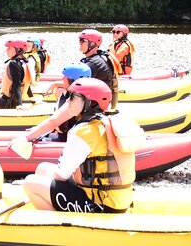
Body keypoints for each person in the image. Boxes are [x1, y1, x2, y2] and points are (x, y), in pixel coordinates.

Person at [21, 78, 134, 213]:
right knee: (42, 169)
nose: (68, 101)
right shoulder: (108, 122)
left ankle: (59, 227)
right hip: (116, 199)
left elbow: (61, 176)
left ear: (89, 103)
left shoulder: (83, 132)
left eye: (73, 97)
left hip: (100, 204)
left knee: (30, 183)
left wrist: (42, 188)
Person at [9, 63, 92, 147]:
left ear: (72, 81)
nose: (63, 78)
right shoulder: (87, 94)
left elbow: (53, 122)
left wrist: (27, 137)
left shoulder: (77, 101)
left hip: (71, 141)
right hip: (73, 138)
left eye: (65, 77)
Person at [78, 29, 121, 109]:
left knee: (61, 90)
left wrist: (55, 84)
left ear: (93, 43)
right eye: (80, 40)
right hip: (100, 101)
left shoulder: (94, 63)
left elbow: (75, 83)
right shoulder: (99, 57)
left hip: (95, 105)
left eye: (82, 40)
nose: (80, 43)